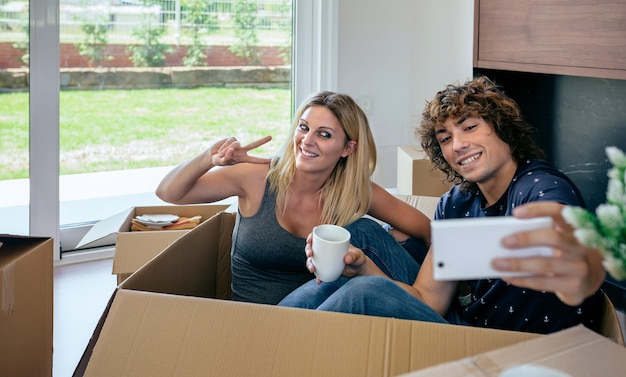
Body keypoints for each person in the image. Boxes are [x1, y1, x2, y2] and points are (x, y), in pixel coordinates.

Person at [278, 76, 606, 335]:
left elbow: (564, 238)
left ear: (502, 128)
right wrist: (362, 266)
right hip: (461, 322)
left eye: (469, 127)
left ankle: (280, 346)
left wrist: (452, 244)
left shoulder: (538, 186)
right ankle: (266, 330)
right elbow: (428, 301)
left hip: (517, 346)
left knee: (363, 293)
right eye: (445, 138)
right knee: (356, 240)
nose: (458, 145)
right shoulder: (456, 203)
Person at [156, 90, 431, 305]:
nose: (307, 140)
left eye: (324, 134)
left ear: (348, 148)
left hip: (322, 320)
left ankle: (438, 303)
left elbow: (426, 231)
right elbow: (169, 192)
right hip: (258, 320)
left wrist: (393, 238)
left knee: (371, 233)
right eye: (303, 127)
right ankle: (439, 309)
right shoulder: (256, 177)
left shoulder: (354, 191)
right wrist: (209, 157)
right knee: (364, 238)